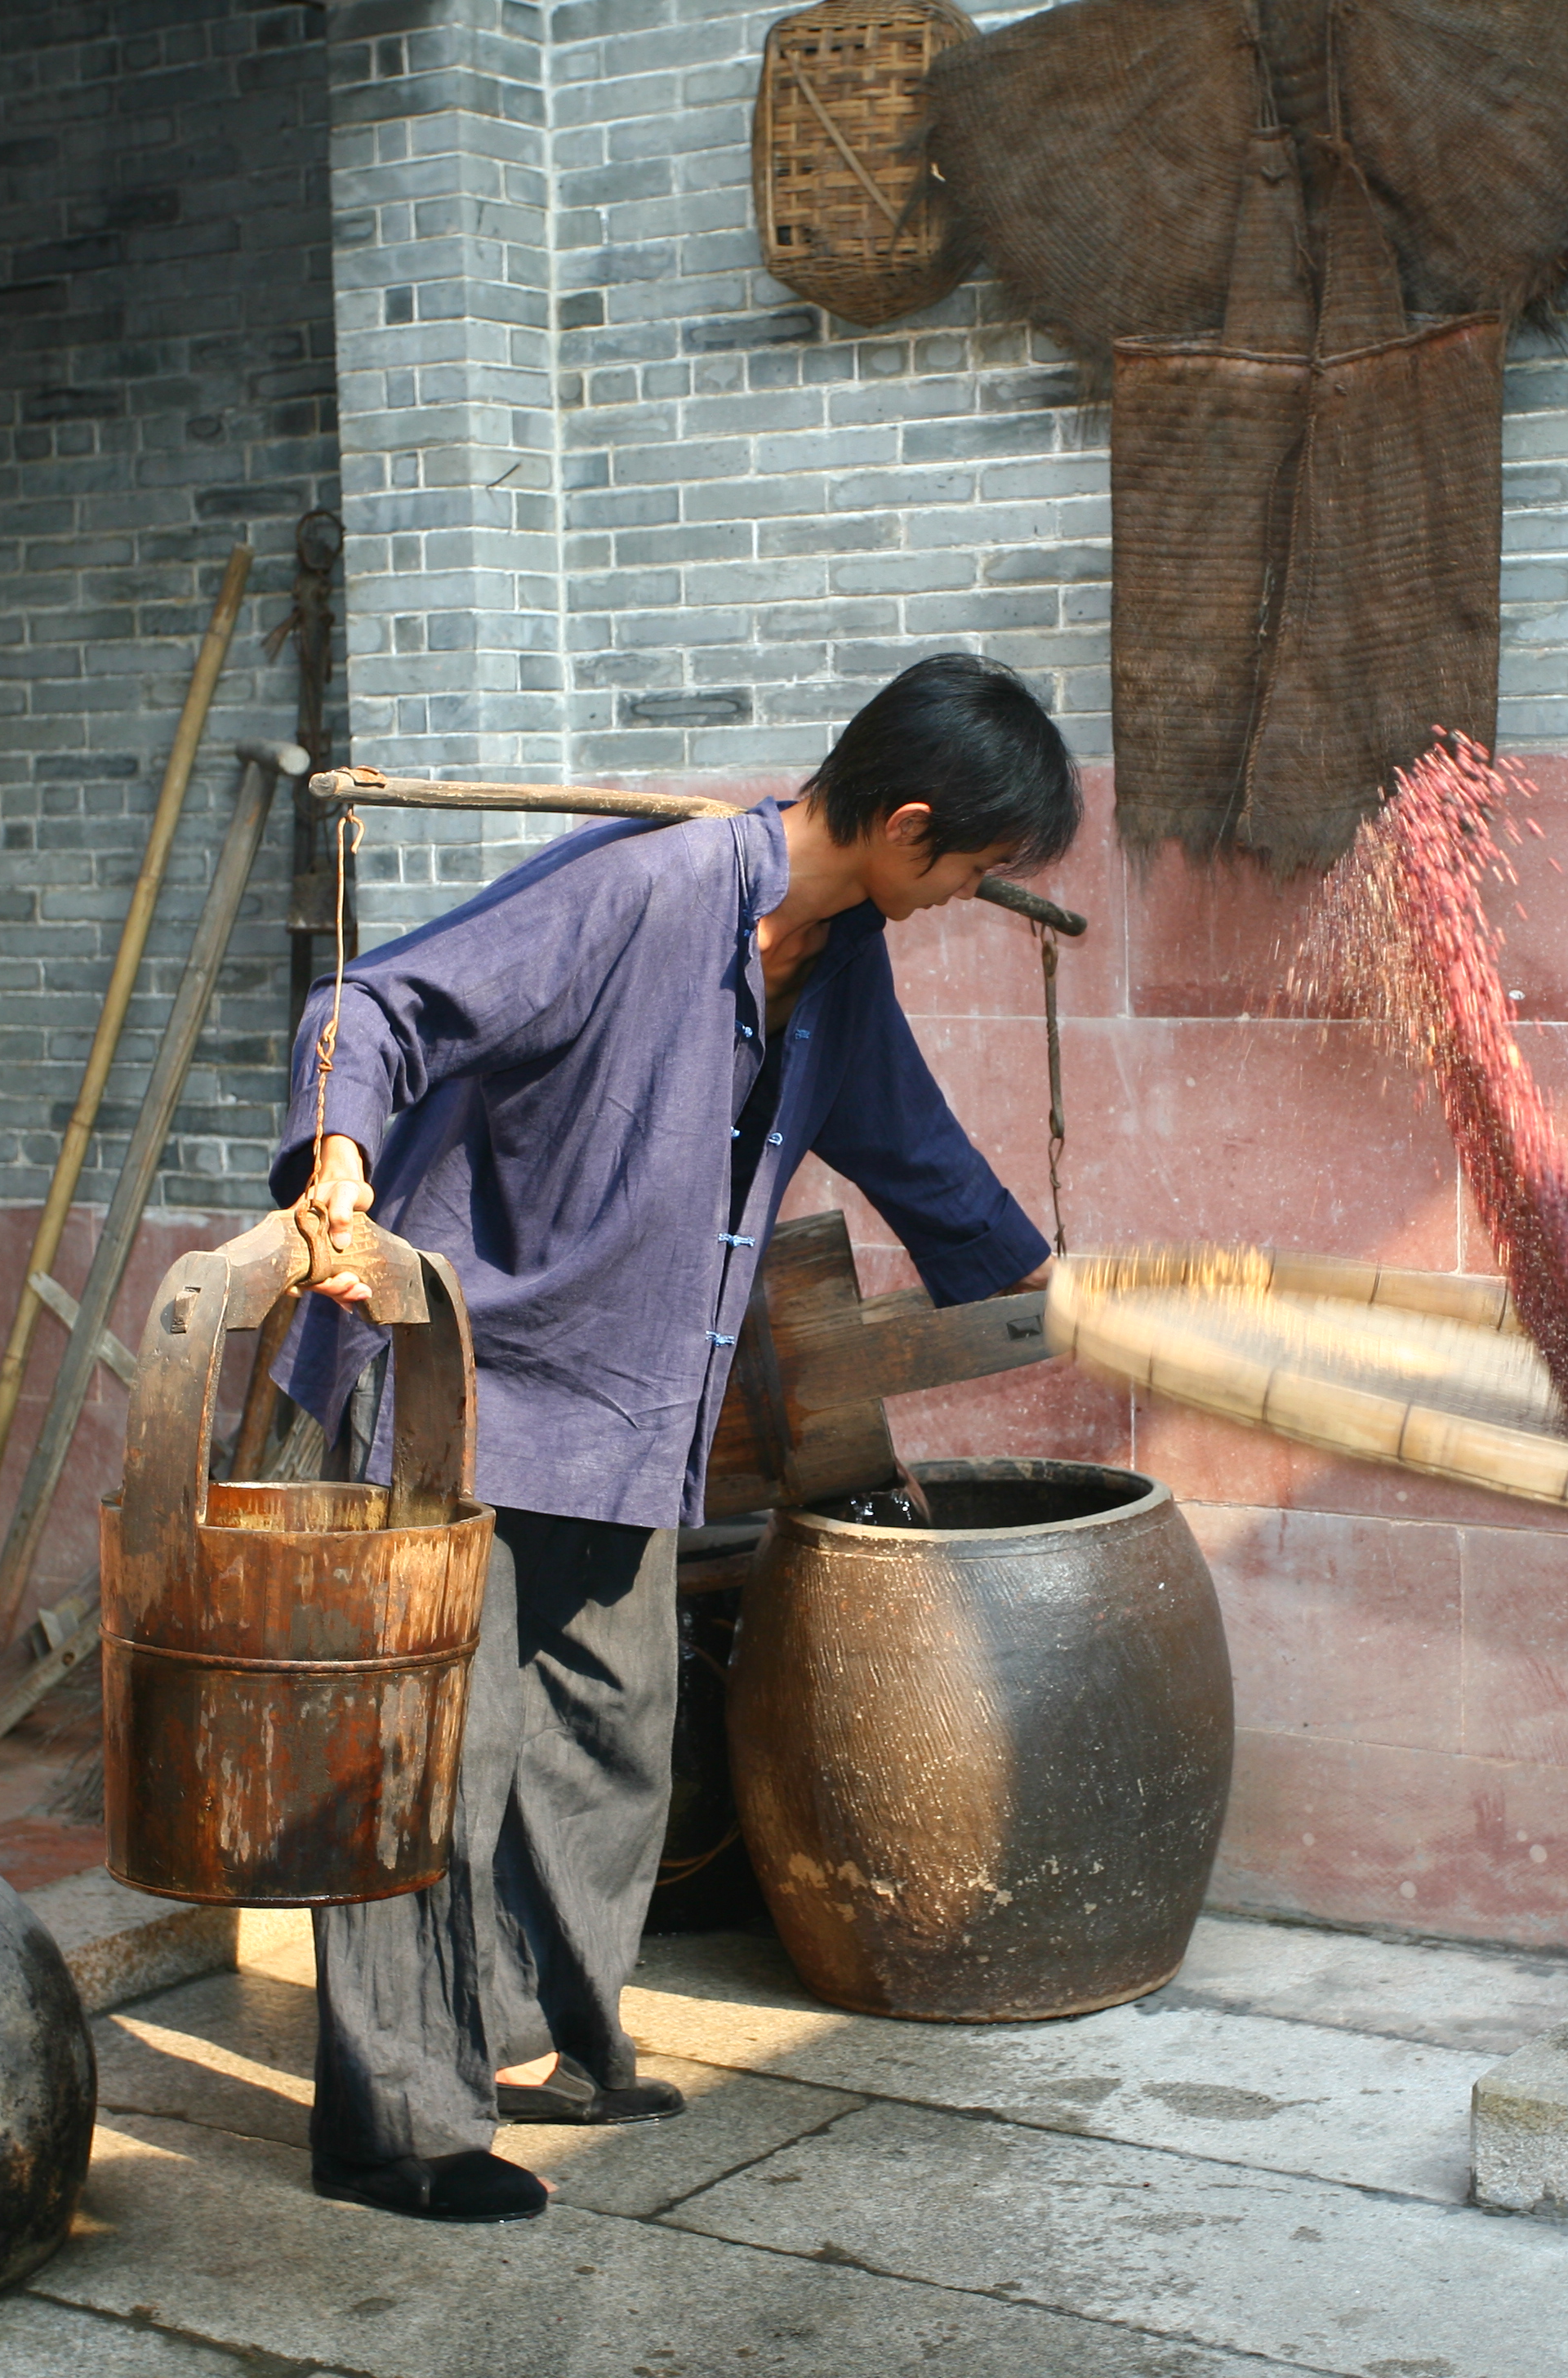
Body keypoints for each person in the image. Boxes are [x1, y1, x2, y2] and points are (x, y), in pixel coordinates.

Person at [264, 652, 1076, 2224]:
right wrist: (338, 1166)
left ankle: (546, 2036)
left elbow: (909, 1143)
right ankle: (399, 2130)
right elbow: (373, 1002)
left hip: (626, 1406)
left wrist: (1055, 1291)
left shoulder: (834, 961)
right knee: (436, 1754)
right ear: (908, 826)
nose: (976, 891)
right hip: (456, 1383)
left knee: (607, 1726)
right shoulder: (646, 889)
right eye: (977, 865)